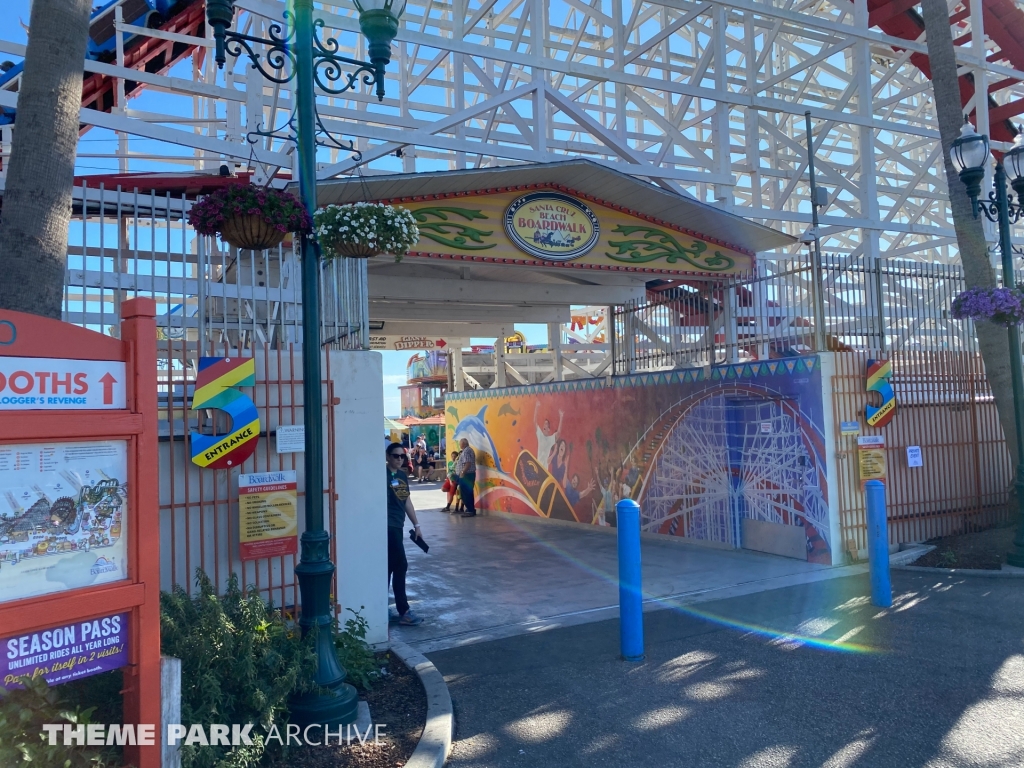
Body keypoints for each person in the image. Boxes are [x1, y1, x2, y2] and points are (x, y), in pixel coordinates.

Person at [385, 443, 424, 626]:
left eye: (403, 456)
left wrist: (416, 525)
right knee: (400, 565)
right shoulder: (381, 475)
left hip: (398, 526)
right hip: (387, 525)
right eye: (396, 456)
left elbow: (407, 500)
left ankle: (382, 608)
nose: (399, 459)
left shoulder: (401, 475)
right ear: (388, 456)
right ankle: (404, 611)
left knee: (389, 567)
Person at [454, 438, 477, 517]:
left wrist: (462, 472)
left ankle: (470, 510)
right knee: (467, 492)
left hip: (467, 475)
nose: (459, 445)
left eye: (460, 443)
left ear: (463, 444)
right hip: (468, 474)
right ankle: (470, 509)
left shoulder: (466, 451)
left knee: (466, 493)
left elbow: (468, 463)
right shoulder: (467, 450)